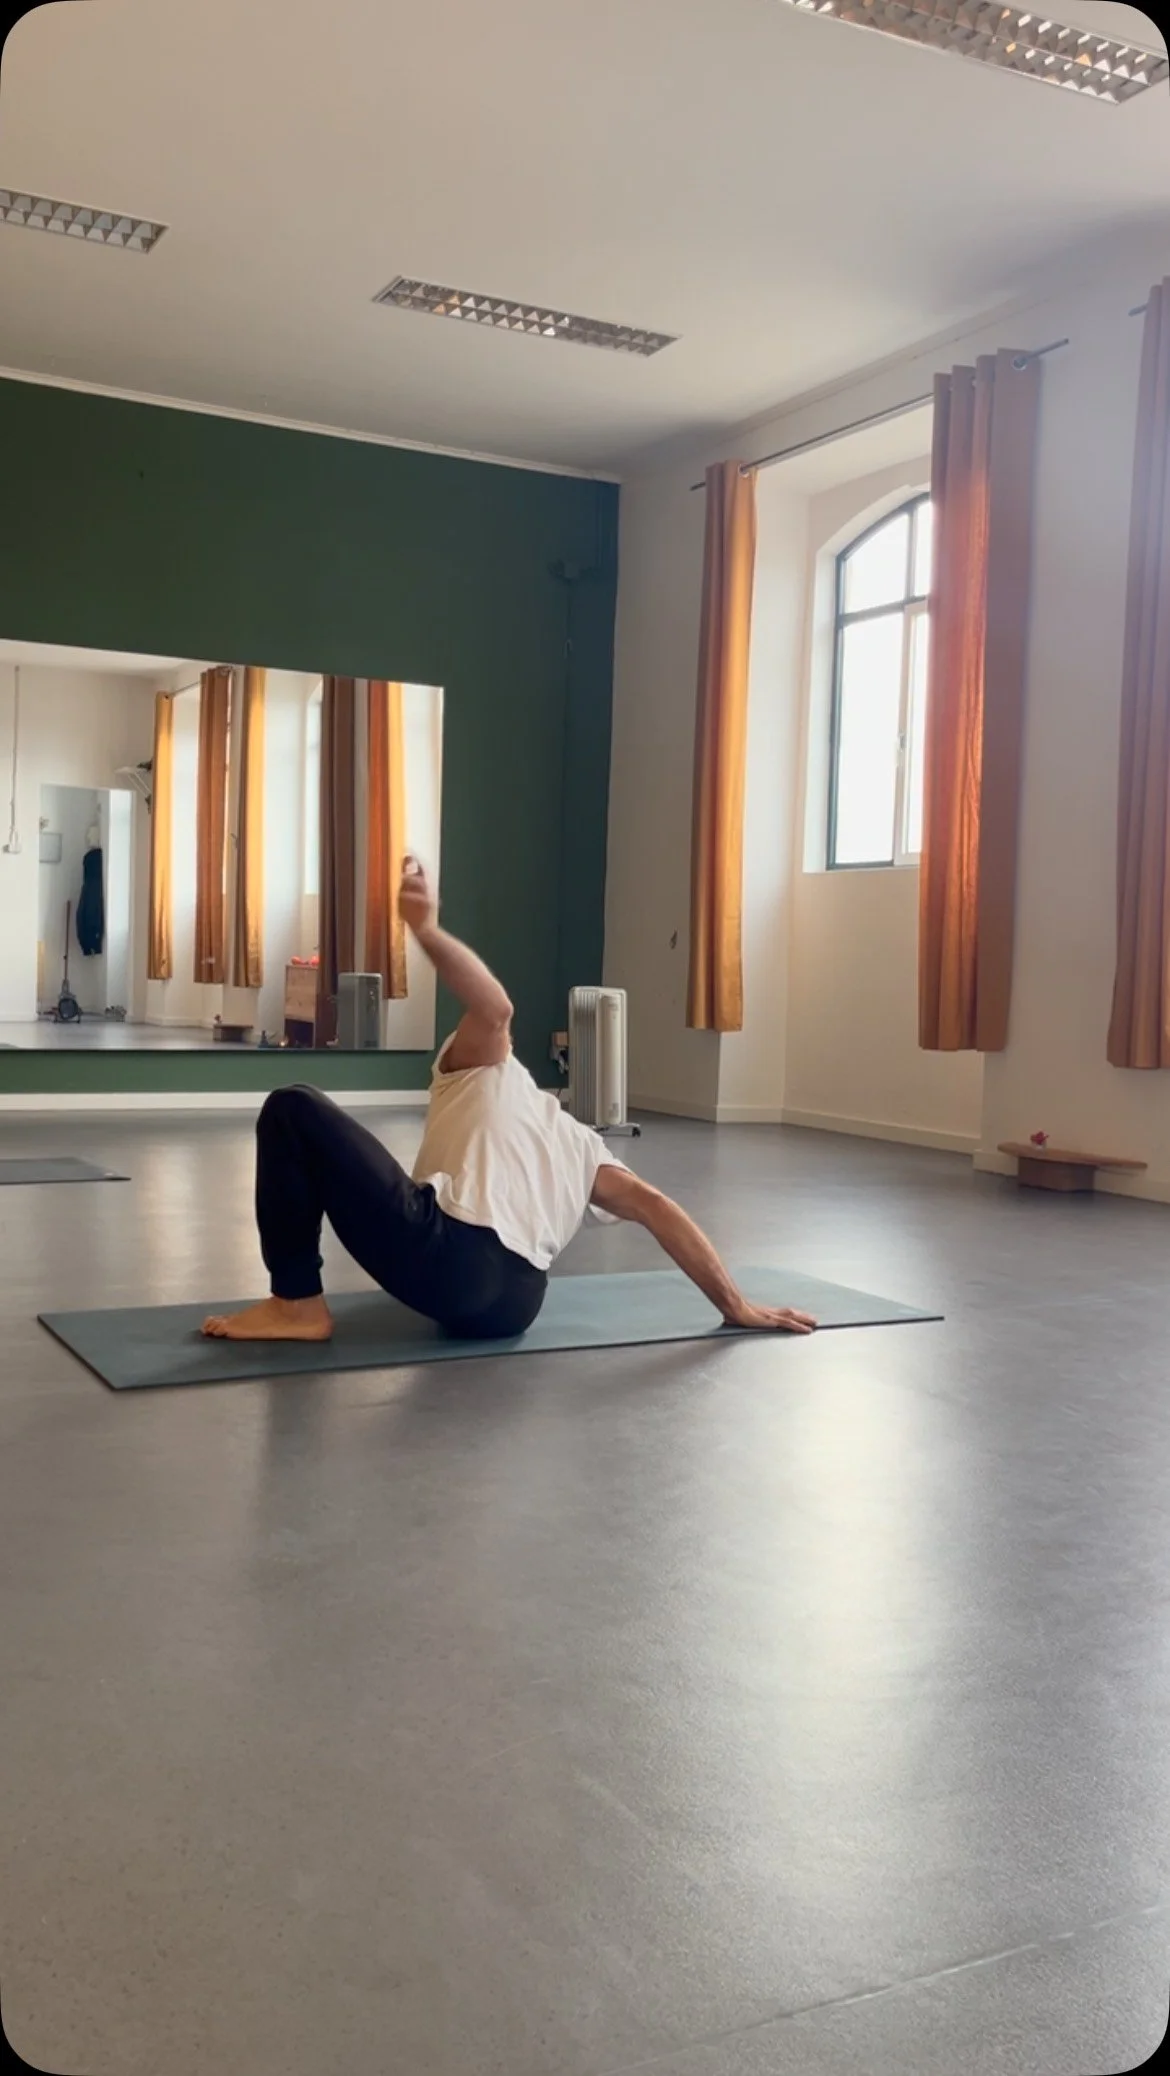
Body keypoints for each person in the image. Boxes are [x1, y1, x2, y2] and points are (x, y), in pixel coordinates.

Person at [202, 860, 817, 1344]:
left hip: (451, 1263)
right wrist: (735, 1305)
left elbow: (495, 1009)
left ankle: (296, 1305)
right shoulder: (580, 1144)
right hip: (517, 1306)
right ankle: (301, 1306)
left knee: (293, 1107)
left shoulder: (475, 1068)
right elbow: (658, 1209)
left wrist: (425, 931)